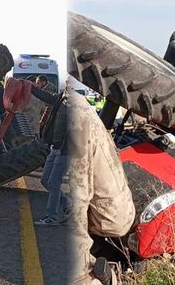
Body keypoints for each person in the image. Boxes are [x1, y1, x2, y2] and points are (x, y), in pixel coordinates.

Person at [66, 89, 135, 284]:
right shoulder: (74, 106)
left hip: (109, 216)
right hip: (109, 210)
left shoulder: (75, 115)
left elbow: (78, 200)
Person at [26, 81, 72, 226]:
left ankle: (50, 216)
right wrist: (31, 87)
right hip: (55, 148)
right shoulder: (62, 97)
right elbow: (47, 97)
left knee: (53, 182)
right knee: (45, 180)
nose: (68, 83)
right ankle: (69, 204)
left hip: (65, 151)